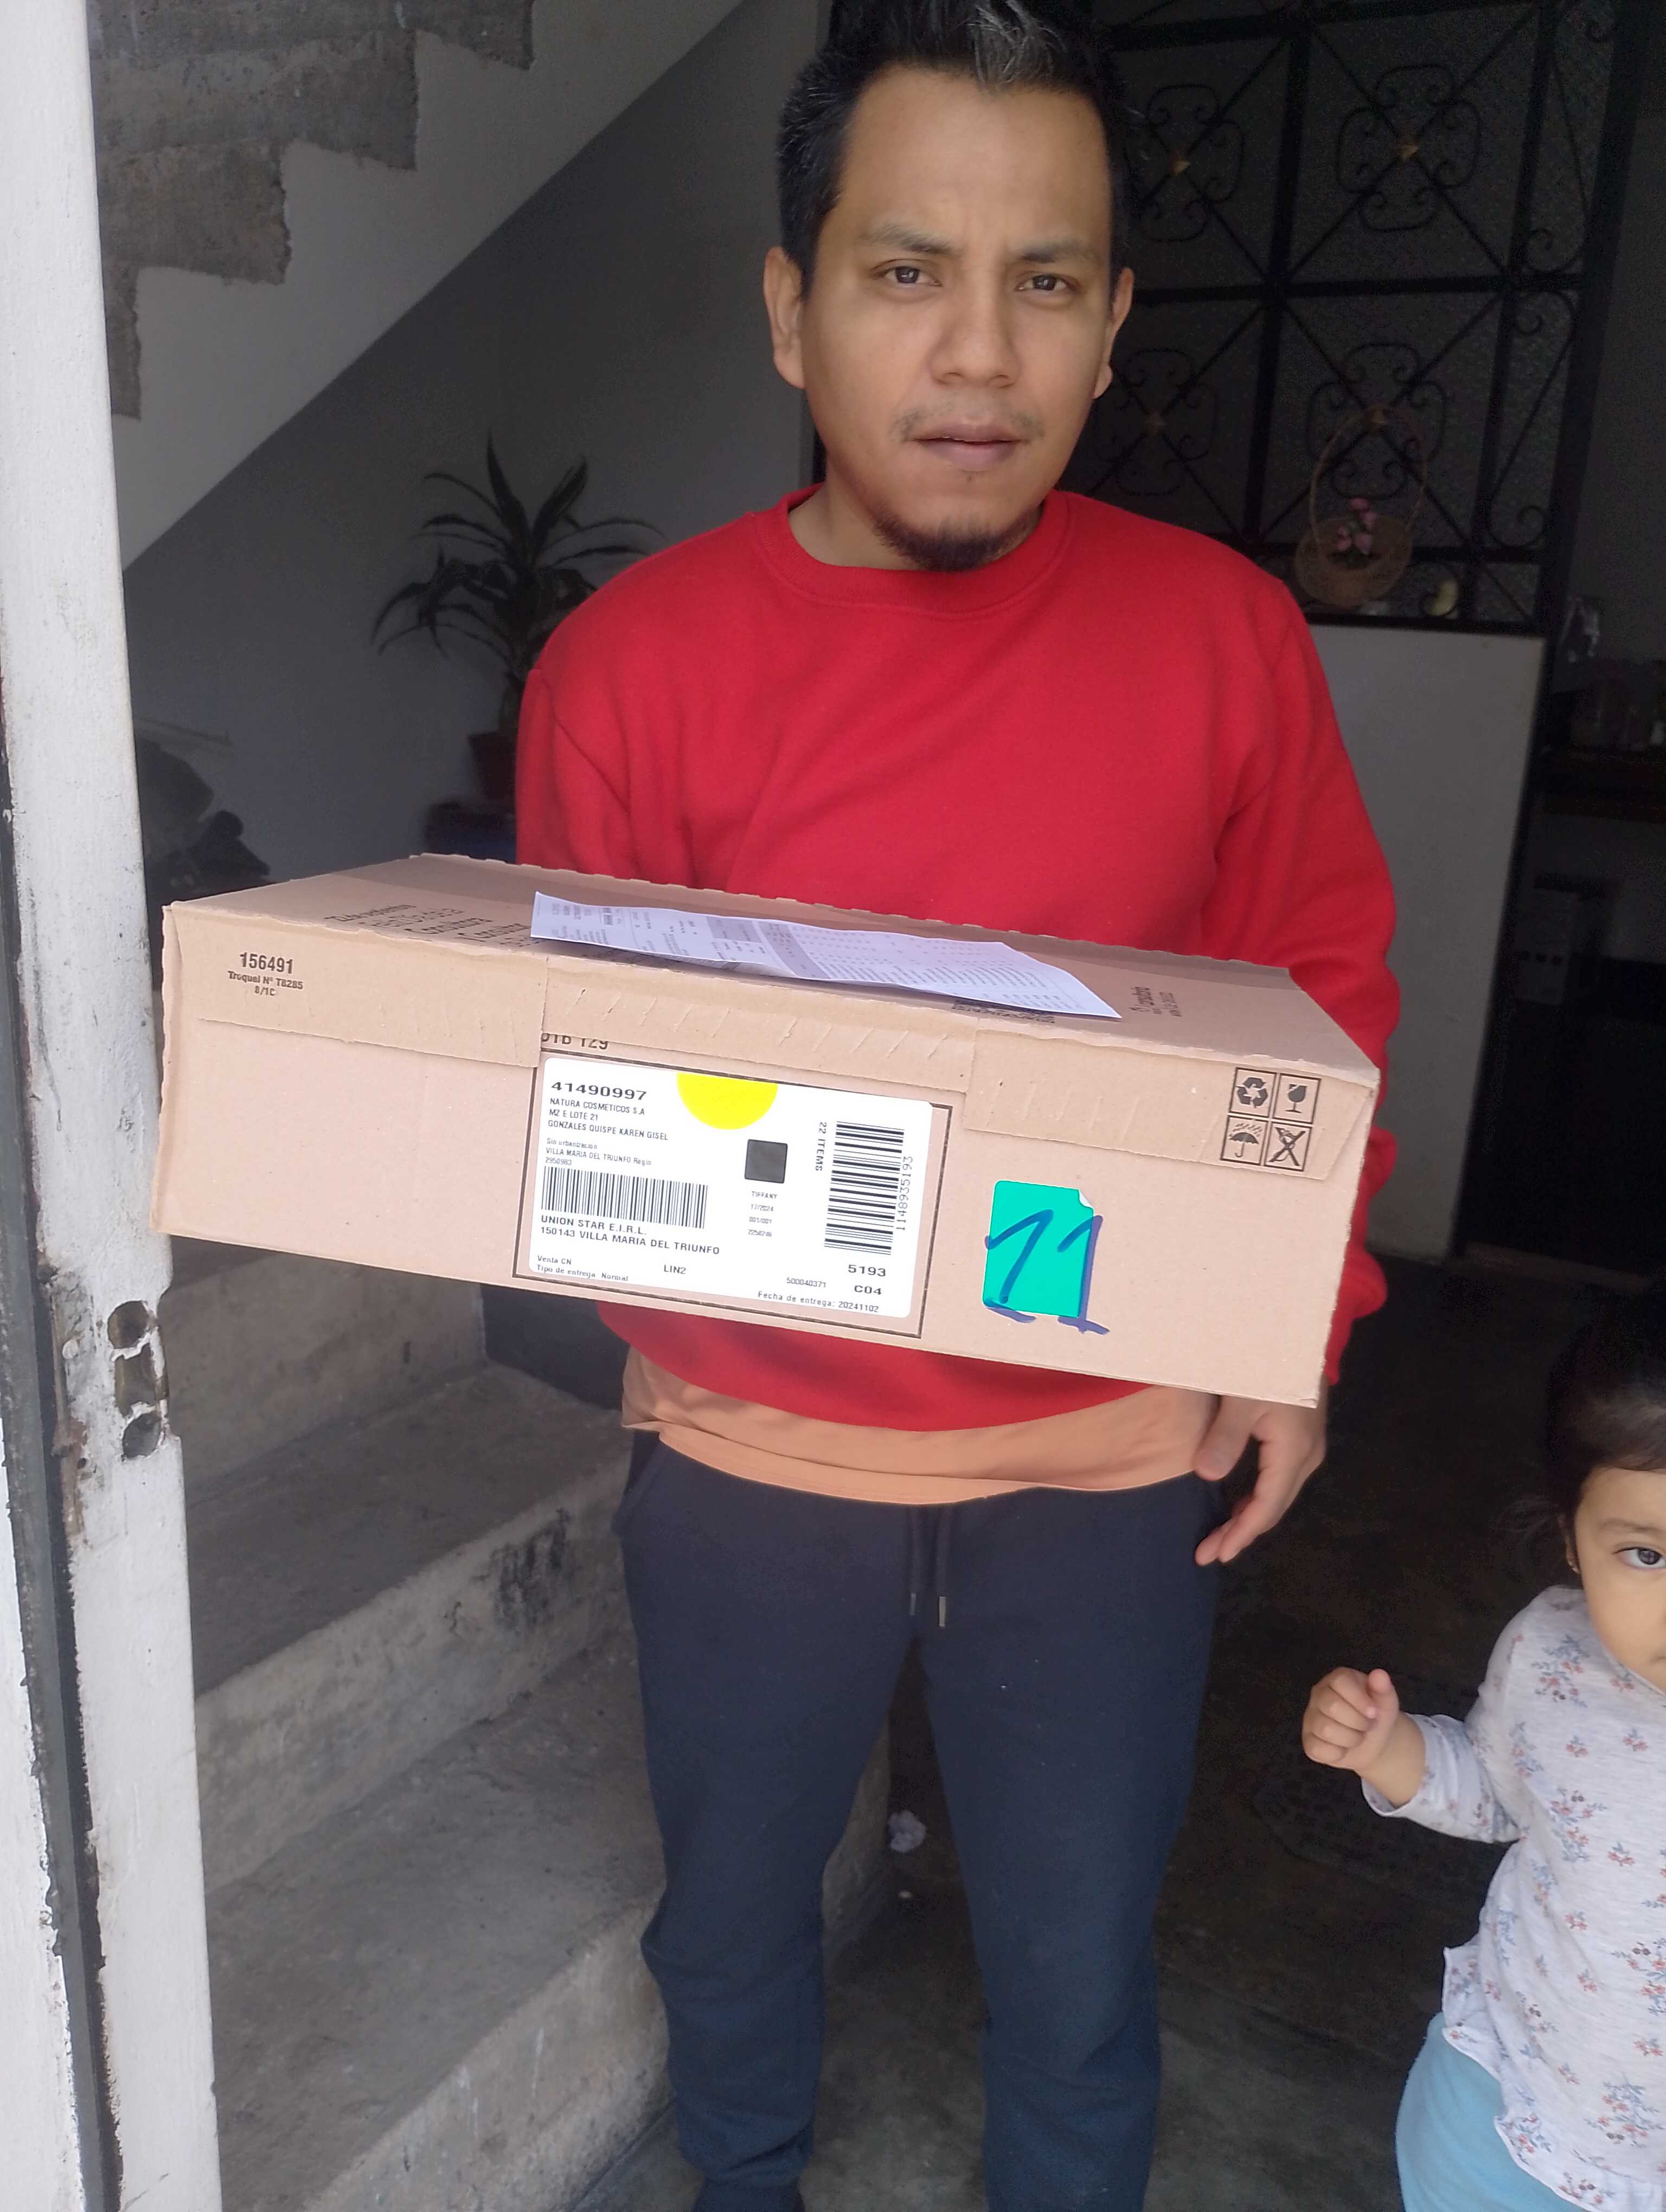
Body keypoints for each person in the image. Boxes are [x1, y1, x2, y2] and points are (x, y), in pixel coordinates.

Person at [517, 4, 1398, 2205]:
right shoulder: (629, 668)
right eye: (907, 271)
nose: (978, 353)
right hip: (749, 1447)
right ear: (791, 309)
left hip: (1109, 1459)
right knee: (729, 1932)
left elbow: (1319, 1008)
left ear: (1113, 326)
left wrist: (1297, 1324)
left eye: (1046, 280)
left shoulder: (1227, 642)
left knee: (1078, 1975)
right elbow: (581, 1079)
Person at [1303, 1285, 1666, 2212]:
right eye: (1647, 1555)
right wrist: (1387, 1747)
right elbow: (1501, 1792)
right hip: (1505, 2114)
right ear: (1574, 1542)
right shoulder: (1553, 1656)